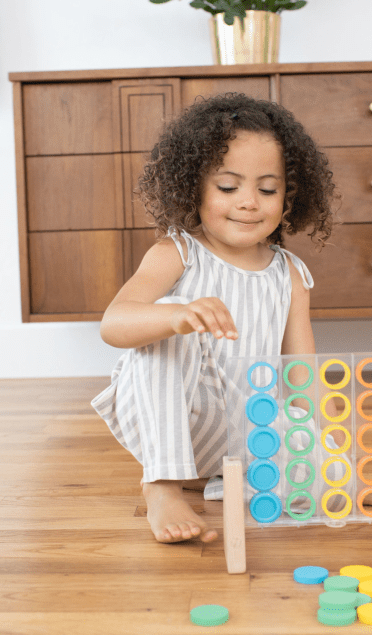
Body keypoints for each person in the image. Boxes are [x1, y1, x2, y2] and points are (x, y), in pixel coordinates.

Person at [92, 93, 337, 544]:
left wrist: (322, 445)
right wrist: (179, 316)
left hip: (247, 432)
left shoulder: (291, 275)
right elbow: (114, 324)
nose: (249, 202)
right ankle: (163, 483)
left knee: (332, 472)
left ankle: (227, 481)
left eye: (267, 189)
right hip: (175, 415)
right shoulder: (177, 254)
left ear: (289, 198)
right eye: (228, 187)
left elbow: (303, 373)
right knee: (164, 319)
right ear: (194, 189)